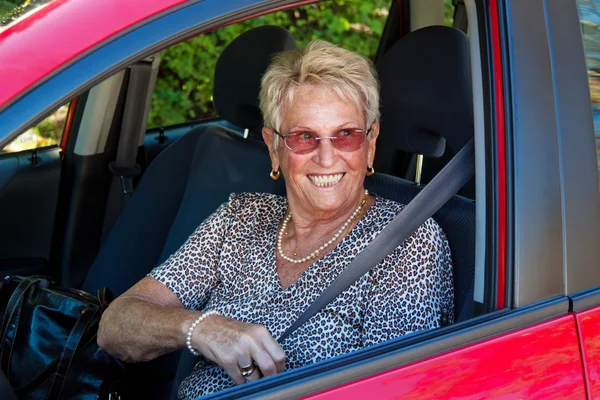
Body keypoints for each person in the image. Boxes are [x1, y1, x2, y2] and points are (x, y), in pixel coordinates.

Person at [97, 40, 454, 399]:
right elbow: (114, 326)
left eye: (346, 135)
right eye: (304, 137)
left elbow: (393, 391)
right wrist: (199, 328)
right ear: (273, 147)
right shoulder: (240, 217)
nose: (327, 158)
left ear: (371, 142)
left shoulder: (408, 245)